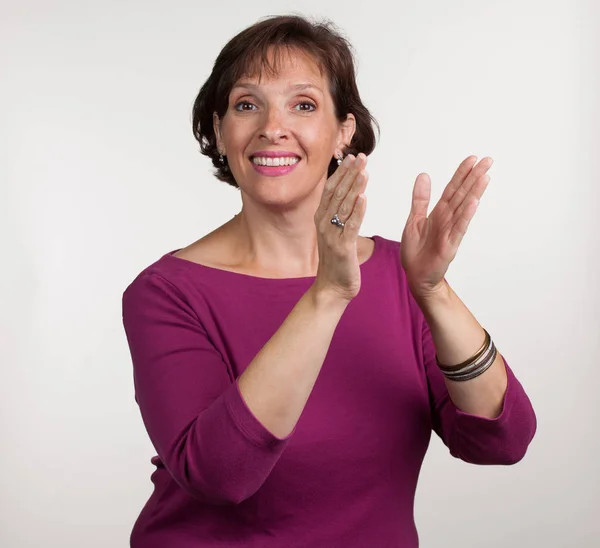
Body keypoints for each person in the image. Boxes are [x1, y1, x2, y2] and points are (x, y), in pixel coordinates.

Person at [121, 14, 537, 547]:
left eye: (303, 104)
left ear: (344, 131)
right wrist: (328, 293)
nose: (273, 126)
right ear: (219, 131)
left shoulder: (399, 275)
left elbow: (501, 440)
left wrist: (433, 291)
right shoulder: (167, 293)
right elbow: (222, 477)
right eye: (247, 105)